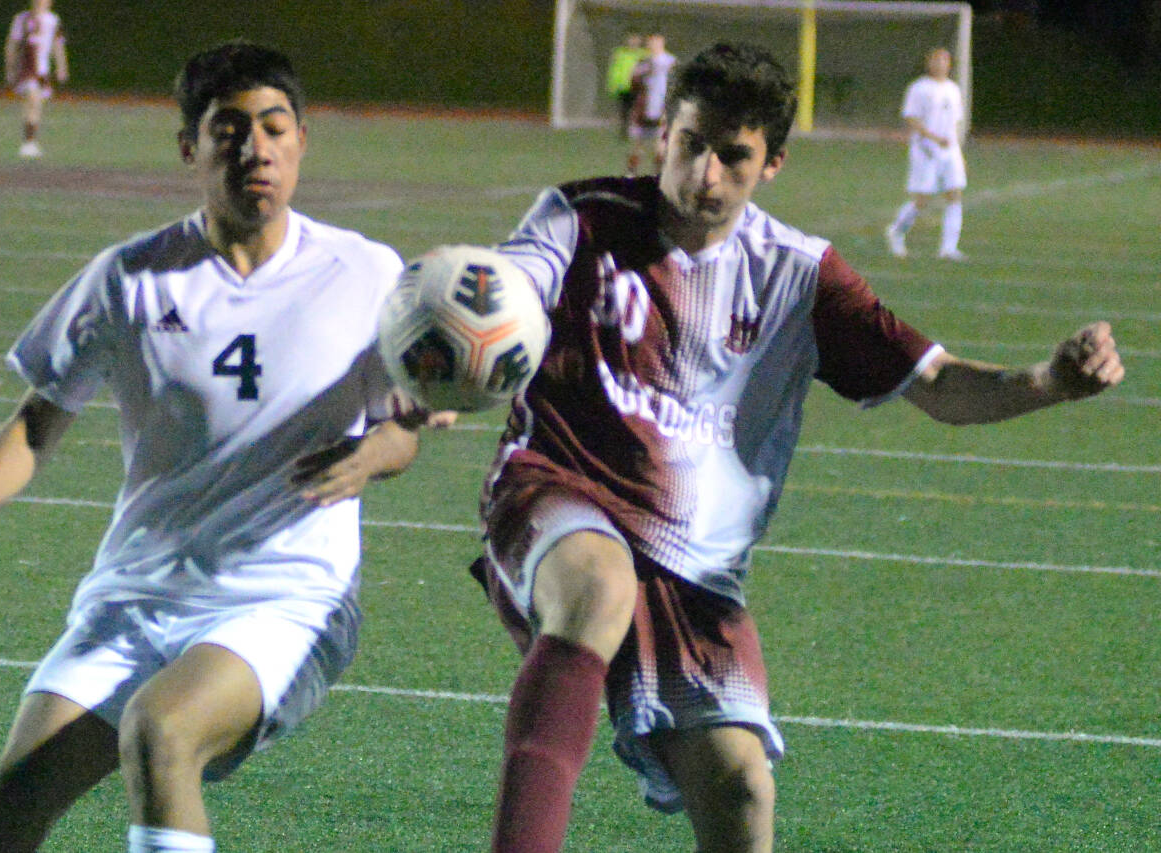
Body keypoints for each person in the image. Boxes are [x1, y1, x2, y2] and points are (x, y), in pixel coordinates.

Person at [471, 42, 1123, 852]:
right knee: (598, 585)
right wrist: (459, 343)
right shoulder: (580, 218)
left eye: (733, 155)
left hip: (693, 567)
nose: (704, 173)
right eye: (690, 143)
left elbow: (938, 385)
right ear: (664, 134)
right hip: (556, 489)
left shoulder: (800, 275)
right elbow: (500, 292)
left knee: (742, 788)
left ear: (772, 163)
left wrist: (1049, 381)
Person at [0, 41, 424, 853]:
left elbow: (405, 425)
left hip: (285, 597)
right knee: (11, 802)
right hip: (135, 596)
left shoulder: (365, 273)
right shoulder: (129, 277)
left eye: (275, 127)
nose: (256, 148)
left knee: (162, 728)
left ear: (302, 140)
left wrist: (377, 451)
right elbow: (37, 420)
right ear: (191, 147)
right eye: (230, 130)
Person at [884, 47, 968, 260]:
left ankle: (949, 248)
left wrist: (957, 149)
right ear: (928, 63)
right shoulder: (919, 88)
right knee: (922, 199)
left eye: (944, 60)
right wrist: (933, 138)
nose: (940, 64)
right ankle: (896, 231)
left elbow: (955, 122)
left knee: (954, 194)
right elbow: (911, 118)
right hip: (925, 150)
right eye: (936, 60)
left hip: (950, 150)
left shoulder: (953, 89)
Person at [4, 0, 69, 158]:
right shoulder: (22, 19)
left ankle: (31, 140)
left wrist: (61, 67)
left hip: (43, 70)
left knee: (37, 105)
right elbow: (12, 44)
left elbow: (57, 45)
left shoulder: (53, 20)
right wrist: (10, 67)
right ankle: (28, 142)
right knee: (32, 99)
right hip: (26, 69)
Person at [625, 33, 676, 176]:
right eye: (651, 42)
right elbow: (633, 82)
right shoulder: (643, 62)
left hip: (662, 109)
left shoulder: (671, 62)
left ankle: (658, 176)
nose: (653, 45)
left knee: (660, 148)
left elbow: (677, 83)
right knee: (637, 147)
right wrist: (638, 76)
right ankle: (631, 174)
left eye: (656, 42)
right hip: (644, 110)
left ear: (662, 42)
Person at [606, 34, 647, 140]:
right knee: (624, 110)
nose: (633, 41)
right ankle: (624, 131)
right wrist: (612, 85)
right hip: (623, 86)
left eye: (636, 39)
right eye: (631, 39)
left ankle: (637, 131)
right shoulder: (619, 53)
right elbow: (614, 69)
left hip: (637, 86)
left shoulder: (643, 54)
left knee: (636, 109)